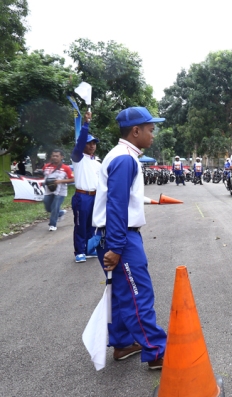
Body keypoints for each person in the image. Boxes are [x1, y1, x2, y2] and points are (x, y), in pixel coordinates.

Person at [93, 106, 167, 370]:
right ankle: (157, 350)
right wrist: (115, 245)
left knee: (124, 293)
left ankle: (124, 343)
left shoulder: (123, 155)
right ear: (135, 131)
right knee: (138, 294)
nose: (153, 134)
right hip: (121, 235)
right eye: (150, 129)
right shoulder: (125, 158)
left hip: (117, 234)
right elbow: (117, 205)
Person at [71, 111, 101, 263]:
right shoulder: (78, 158)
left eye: (94, 143)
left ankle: (89, 249)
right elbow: (80, 143)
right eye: (89, 143)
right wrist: (86, 124)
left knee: (91, 224)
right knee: (80, 225)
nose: (92, 146)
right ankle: (79, 251)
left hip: (94, 196)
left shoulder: (96, 162)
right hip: (81, 196)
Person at [43, 149, 74, 231]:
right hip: (48, 190)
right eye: (53, 156)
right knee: (47, 207)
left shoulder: (66, 168)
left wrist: (60, 181)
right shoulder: (46, 166)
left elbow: (72, 179)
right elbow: (44, 177)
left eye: (57, 156)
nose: (55, 157)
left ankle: (52, 224)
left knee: (54, 207)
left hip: (60, 192)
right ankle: (61, 213)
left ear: (61, 157)